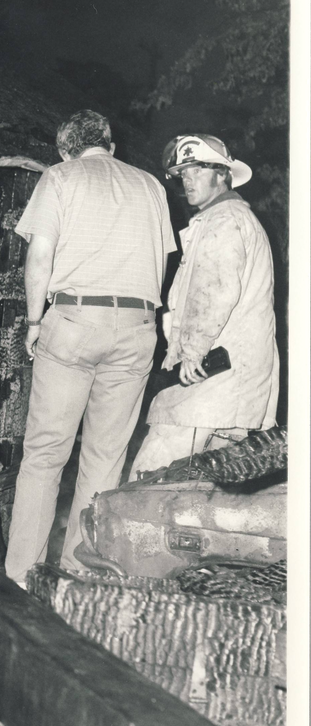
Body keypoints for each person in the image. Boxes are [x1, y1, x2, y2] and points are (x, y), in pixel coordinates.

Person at [4, 110, 176, 587]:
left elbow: (39, 257)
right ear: (110, 145)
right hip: (138, 326)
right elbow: (161, 265)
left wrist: (36, 320)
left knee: (45, 455)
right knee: (105, 459)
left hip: (76, 320)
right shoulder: (151, 186)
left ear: (65, 150)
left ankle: (23, 575)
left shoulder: (59, 178)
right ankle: (80, 576)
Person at [130, 134, 279, 475]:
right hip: (231, 376)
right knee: (208, 484)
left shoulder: (224, 222)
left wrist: (192, 352)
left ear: (222, 174)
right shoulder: (226, 219)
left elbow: (213, 292)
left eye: (197, 171)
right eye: (183, 173)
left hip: (213, 375)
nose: (187, 180)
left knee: (151, 473)